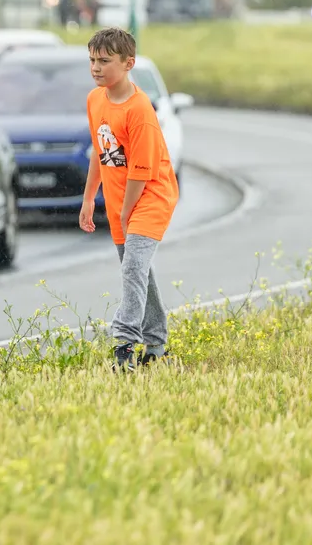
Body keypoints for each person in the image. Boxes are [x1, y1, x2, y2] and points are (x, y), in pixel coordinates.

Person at [79, 27, 180, 371]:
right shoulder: (95, 100)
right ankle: (157, 343)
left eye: (104, 61)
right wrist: (89, 198)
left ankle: (124, 343)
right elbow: (99, 149)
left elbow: (141, 170)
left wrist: (125, 212)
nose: (96, 67)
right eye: (92, 60)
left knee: (133, 269)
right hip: (120, 199)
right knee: (139, 272)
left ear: (128, 64)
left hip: (150, 196)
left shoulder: (140, 110)